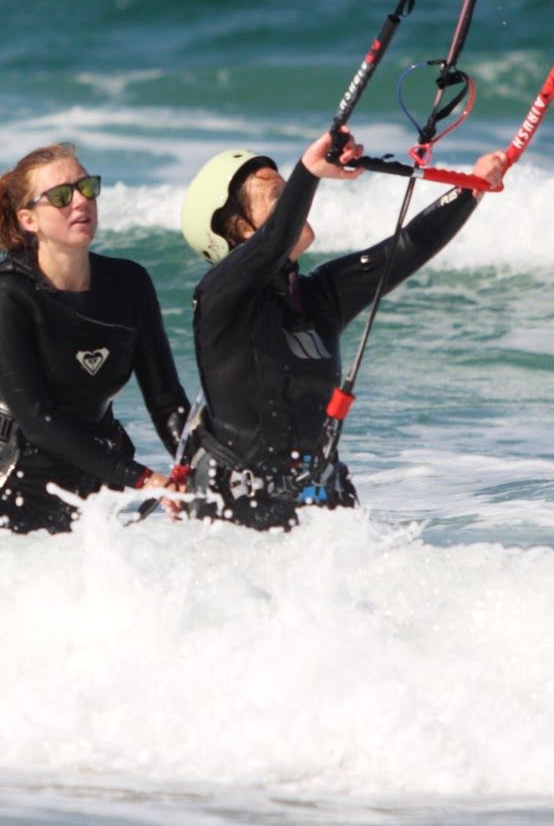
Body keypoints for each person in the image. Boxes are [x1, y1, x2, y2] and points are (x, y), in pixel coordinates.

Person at [179, 130, 506, 530]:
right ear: (243, 230)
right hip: (229, 521)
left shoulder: (319, 297)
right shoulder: (218, 300)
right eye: (279, 199)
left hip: (315, 514)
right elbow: (272, 244)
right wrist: (309, 172)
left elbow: (403, 250)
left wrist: (470, 190)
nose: (298, 210)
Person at [0, 143, 190, 535]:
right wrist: (142, 479)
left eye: (86, 188)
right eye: (60, 196)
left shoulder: (130, 283)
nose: (79, 201)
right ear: (29, 219)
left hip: (92, 471)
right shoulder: (4, 297)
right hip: (11, 475)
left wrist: (191, 467)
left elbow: (165, 398)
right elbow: (38, 421)